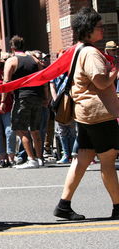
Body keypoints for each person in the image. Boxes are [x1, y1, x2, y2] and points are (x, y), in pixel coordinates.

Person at [53, 7, 119, 220]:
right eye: (99, 26)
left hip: (86, 114)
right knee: (108, 160)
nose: (103, 29)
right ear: (88, 30)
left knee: (82, 159)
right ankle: (118, 207)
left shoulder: (79, 49)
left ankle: (64, 204)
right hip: (99, 114)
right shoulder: (90, 52)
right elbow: (100, 82)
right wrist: (114, 72)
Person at [2, 35, 47, 169]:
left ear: (12, 48)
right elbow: (43, 79)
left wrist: (3, 100)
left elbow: (6, 82)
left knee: (21, 129)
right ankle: (40, 159)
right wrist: (46, 97)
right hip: (37, 97)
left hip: (22, 97)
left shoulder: (11, 61)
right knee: (35, 130)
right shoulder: (35, 60)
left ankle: (31, 159)